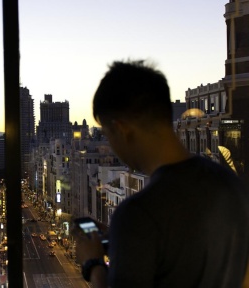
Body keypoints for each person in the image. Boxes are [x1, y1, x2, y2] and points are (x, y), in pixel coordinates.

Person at [74, 60, 249, 287]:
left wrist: (93, 264)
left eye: (108, 134)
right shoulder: (232, 185)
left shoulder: (137, 215)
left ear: (121, 129)